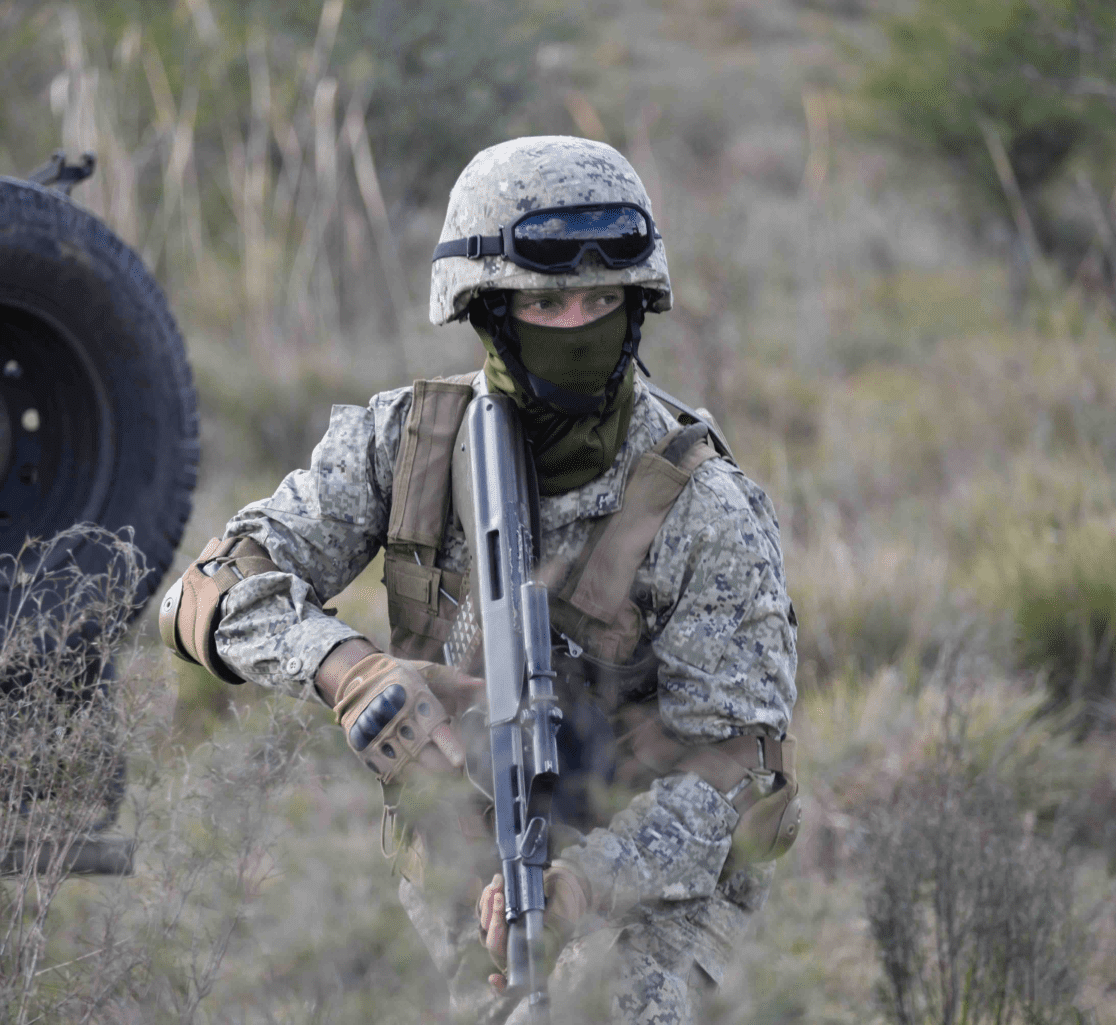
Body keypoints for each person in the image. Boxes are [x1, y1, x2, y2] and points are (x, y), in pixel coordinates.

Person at [161, 135, 800, 1024]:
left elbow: (735, 773)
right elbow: (206, 592)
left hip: (658, 878)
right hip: (464, 850)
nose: (577, 324)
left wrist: (581, 885)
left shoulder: (705, 508)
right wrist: (351, 671)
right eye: (544, 301)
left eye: (601, 298)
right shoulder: (407, 446)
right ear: (488, 308)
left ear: (637, 300)